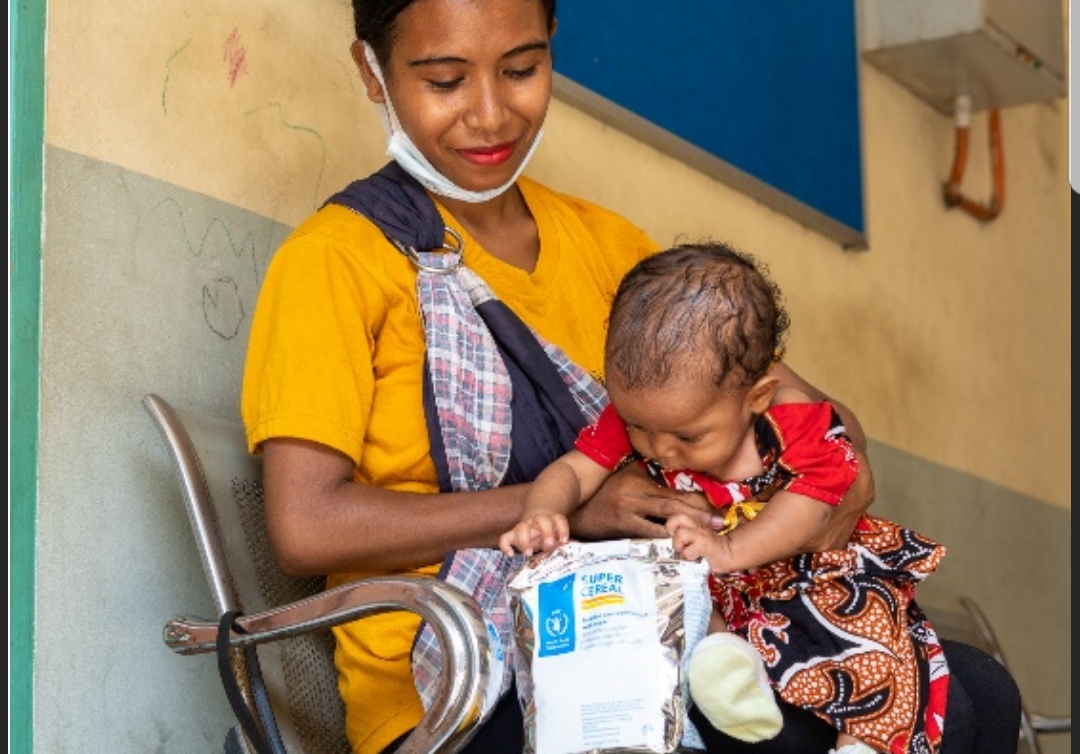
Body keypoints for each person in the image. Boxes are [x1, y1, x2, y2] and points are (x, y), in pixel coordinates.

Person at [239, 1, 1022, 753]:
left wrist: (837, 466)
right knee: (856, 726)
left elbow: (796, 404)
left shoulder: (611, 250)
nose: (489, 114)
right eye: (445, 81)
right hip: (468, 687)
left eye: (520, 69)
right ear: (373, 73)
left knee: (978, 690)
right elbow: (306, 527)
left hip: (672, 626)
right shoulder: (335, 260)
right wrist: (571, 506)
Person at [499, 242, 950, 754]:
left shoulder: (792, 420)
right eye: (638, 428)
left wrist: (732, 551)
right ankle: (728, 669)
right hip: (712, 586)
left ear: (755, 398)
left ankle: (860, 742)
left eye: (688, 438)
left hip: (809, 576)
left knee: (877, 637)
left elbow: (816, 499)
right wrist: (542, 512)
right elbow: (574, 472)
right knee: (669, 595)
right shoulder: (652, 417)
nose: (659, 449)